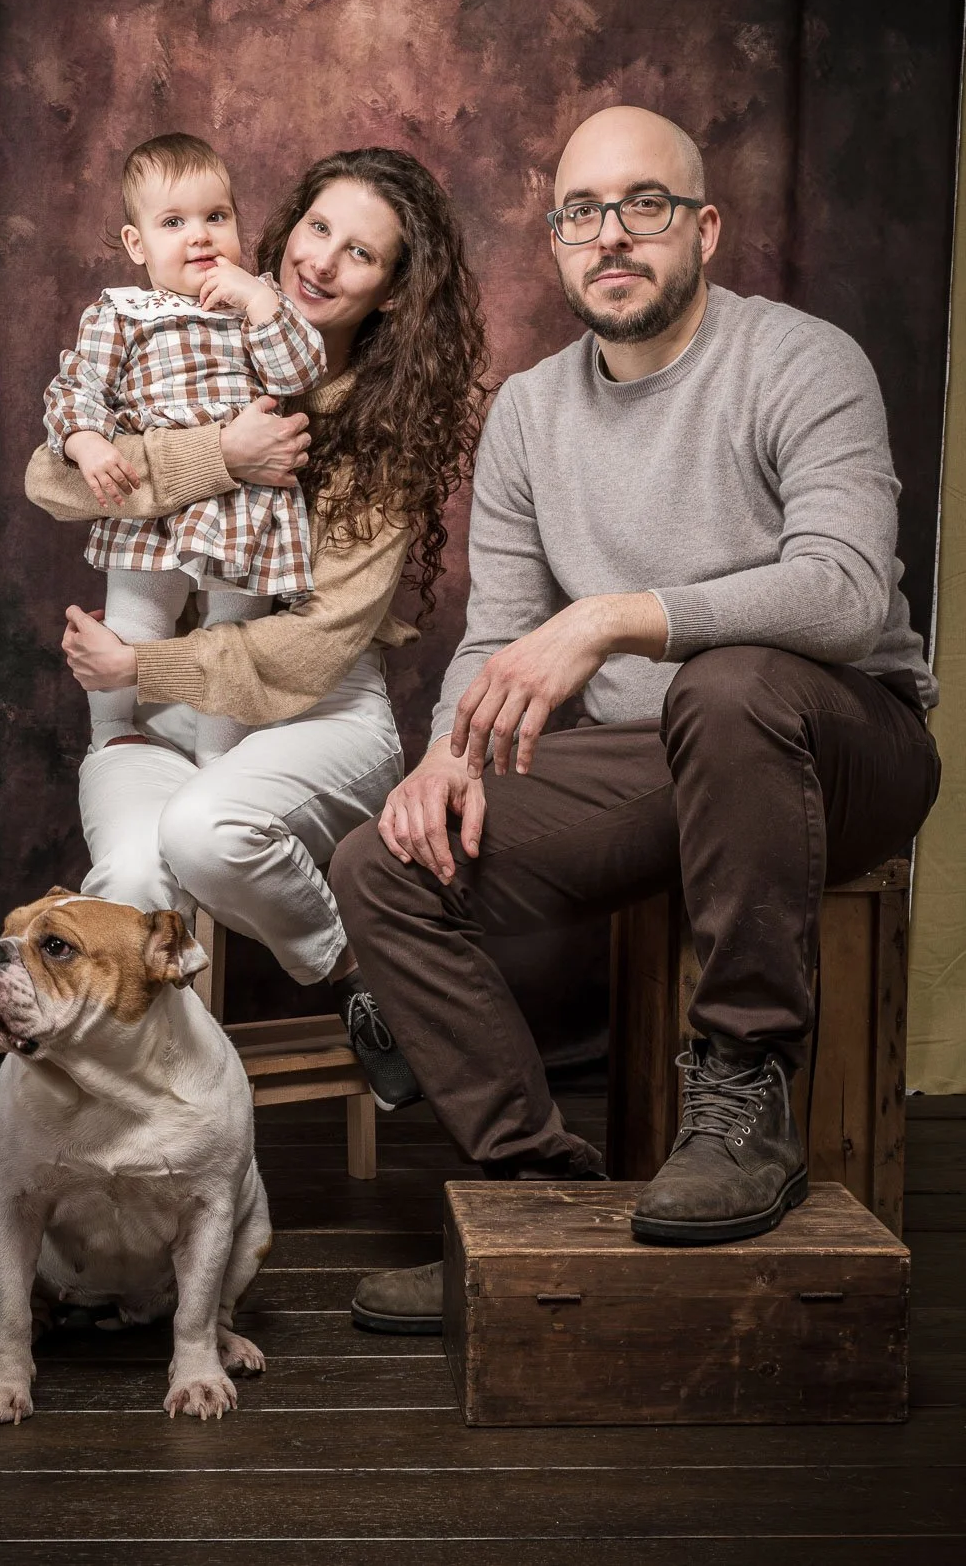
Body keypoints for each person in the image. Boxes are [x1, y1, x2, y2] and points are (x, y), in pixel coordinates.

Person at [330, 105, 940, 1335]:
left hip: (843, 740)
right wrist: (446, 753)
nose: (611, 235)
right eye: (581, 212)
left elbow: (842, 590)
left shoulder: (801, 360)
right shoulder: (529, 412)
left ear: (702, 229)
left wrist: (616, 617)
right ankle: (532, 1203)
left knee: (729, 682)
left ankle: (745, 1091)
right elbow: (498, 633)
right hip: (659, 754)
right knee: (381, 864)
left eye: (643, 205)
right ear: (555, 243)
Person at [25, 147, 488, 1105]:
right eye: (317, 228)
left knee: (204, 830)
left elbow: (313, 645)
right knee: (126, 879)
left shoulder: (386, 431)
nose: (320, 261)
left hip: (315, 706)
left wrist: (142, 664)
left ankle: (361, 978)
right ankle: (136, 1124)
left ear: (394, 293)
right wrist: (221, 456)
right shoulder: (190, 332)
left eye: (360, 253)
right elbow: (53, 479)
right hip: (163, 704)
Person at [44, 132, 325, 765]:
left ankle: (218, 761)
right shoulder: (122, 313)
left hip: (247, 503)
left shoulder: (255, 305)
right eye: (174, 222)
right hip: (156, 498)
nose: (200, 236)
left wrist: (260, 301)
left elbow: (298, 372)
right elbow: (78, 388)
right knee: (137, 617)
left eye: (216, 217)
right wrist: (86, 441)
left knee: (234, 633)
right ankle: (113, 730)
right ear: (136, 243)